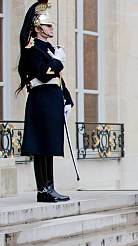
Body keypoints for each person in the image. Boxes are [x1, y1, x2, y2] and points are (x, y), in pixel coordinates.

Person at [18, 0, 74, 203]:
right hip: (41, 100)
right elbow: (44, 74)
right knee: (41, 145)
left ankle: (50, 186)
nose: (52, 28)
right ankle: (43, 189)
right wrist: (58, 60)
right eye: (48, 25)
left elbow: (57, 79)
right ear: (37, 28)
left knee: (49, 144)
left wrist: (67, 99)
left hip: (52, 99)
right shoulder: (33, 48)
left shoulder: (48, 48)